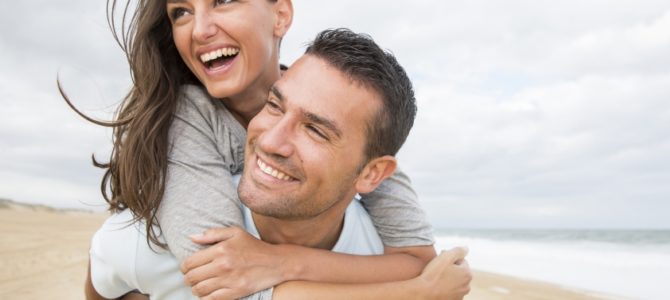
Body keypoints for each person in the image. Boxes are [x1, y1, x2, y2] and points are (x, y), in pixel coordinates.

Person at [87, 28, 472, 300]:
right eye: (274, 106)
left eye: (316, 131)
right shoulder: (150, 242)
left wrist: (281, 262)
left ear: (373, 174)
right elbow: (102, 285)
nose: (270, 141)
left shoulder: (386, 257)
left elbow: (420, 262)